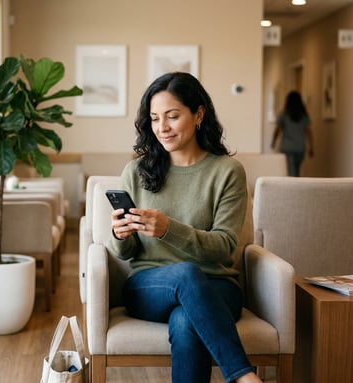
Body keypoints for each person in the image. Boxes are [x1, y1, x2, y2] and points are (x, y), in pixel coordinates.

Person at [107, 72, 262, 383]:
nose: (162, 127)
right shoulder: (136, 171)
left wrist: (168, 229)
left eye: (172, 116)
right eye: (154, 119)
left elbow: (225, 248)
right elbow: (125, 253)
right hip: (149, 287)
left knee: (185, 321)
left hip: (217, 285)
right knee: (185, 273)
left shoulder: (227, 171)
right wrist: (120, 234)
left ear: (199, 114)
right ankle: (244, 376)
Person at [271, 90, 314, 176]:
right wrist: (311, 147)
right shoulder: (303, 115)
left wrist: (273, 142)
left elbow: (277, 130)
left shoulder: (284, 114)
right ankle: (296, 186)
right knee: (296, 171)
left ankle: (292, 187)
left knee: (290, 172)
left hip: (287, 148)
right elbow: (309, 132)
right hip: (300, 148)